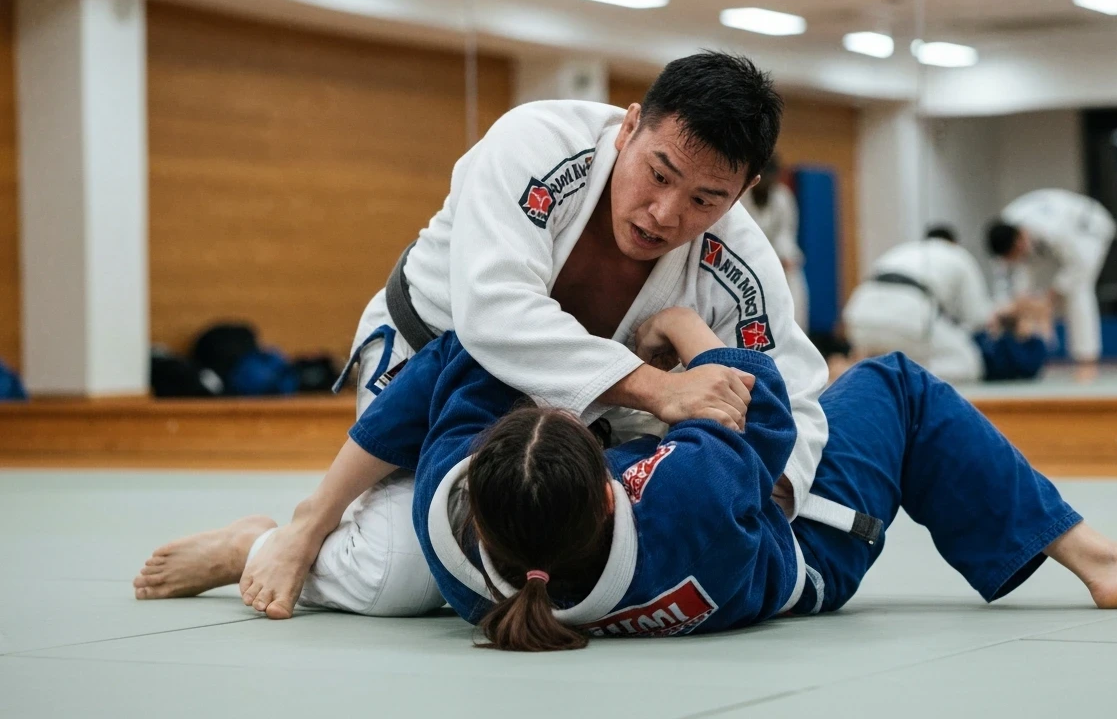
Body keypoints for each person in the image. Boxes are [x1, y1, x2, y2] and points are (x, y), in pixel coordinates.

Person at [134, 308, 1117, 651]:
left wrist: (546, 334)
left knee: (376, 564)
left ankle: (270, 539)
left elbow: (460, 359)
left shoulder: (455, 534)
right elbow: (753, 407)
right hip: (807, 551)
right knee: (892, 385)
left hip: (466, 543)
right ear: (611, 479)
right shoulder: (689, 496)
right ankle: (1096, 557)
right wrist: (682, 335)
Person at [195, 52, 832, 619]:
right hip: (432, 369)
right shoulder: (536, 144)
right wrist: (661, 389)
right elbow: (493, 315)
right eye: (658, 175)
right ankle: (283, 533)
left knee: (555, 560)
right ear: (629, 127)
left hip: (578, 435)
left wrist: (753, 516)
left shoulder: (739, 257)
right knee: (406, 574)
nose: (666, 214)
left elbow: (795, 392)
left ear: (745, 190)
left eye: (706, 199)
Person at [843, 227, 1046, 383]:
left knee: (908, 352)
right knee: (968, 363)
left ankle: (857, 370)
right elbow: (977, 319)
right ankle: (897, 379)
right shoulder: (959, 256)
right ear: (954, 243)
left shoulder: (905, 249)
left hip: (858, 317)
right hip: (905, 318)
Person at [987, 189, 1116, 365]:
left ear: (1019, 241)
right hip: (1051, 235)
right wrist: (1006, 309)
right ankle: (1032, 347)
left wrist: (1049, 299)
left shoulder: (1053, 231)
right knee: (1023, 293)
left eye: (1015, 254)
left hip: (1090, 227)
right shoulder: (1006, 230)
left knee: (1078, 290)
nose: (1014, 260)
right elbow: (1005, 280)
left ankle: (1086, 359)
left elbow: (1079, 265)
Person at [742, 155, 809, 332]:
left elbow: (786, 233)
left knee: (795, 280)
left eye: (773, 177)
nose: (768, 182)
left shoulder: (783, 197)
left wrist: (785, 256)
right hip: (745, 259)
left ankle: (794, 333)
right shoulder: (742, 196)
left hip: (776, 258)